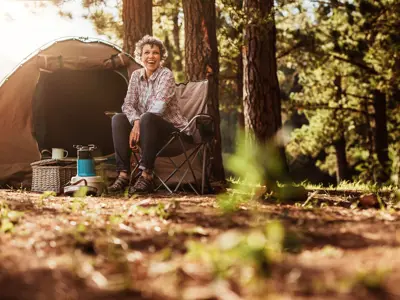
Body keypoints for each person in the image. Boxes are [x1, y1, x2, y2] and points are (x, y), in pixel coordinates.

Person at [107, 35, 192, 195]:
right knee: (118, 118)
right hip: (146, 132)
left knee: (147, 117)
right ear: (140, 56)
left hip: (172, 135)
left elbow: (158, 107)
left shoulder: (166, 75)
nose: (151, 56)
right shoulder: (135, 76)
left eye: (155, 53)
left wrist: (138, 124)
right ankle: (124, 174)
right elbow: (128, 104)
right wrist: (136, 121)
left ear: (161, 57)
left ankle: (147, 175)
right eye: (146, 53)